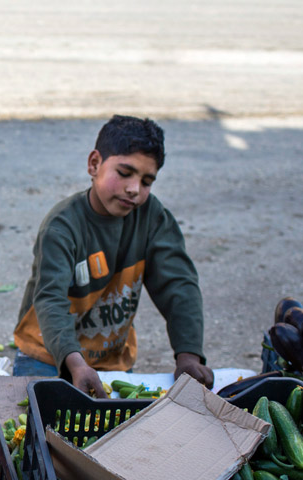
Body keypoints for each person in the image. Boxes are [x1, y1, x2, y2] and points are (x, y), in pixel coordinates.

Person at [12, 115, 214, 397]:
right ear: (94, 164)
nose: (134, 189)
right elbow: (51, 300)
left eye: (146, 181)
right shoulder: (63, 225)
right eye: (124, 173)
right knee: (42, 423)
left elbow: (178, 285)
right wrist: (75, 364)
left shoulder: (152, 217)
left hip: (111, 359)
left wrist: (189, 355)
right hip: (47, 355)